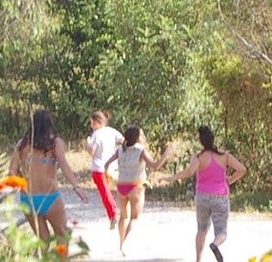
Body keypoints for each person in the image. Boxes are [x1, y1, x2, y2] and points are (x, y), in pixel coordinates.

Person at [161, 125, 246, 262]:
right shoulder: (224, 156)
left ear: (201, 141)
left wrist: (171, 178)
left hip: (202, 197)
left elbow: (188, 172)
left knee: (201, 229)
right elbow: (242, 169)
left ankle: (198, 260)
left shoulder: (198, 157)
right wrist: (230, 179)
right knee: (222, 231)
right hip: (220, 197)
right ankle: (215, 244)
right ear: (213, 139)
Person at [9, 108, 89, 242]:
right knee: (62, 237)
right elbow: (64, 165)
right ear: (50, 124)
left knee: (42, 241)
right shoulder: (56, 143)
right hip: (50, 197)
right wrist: (76, 186)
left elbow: (12, 171)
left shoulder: (22, 144)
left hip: (28, 199)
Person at [104, 124, 172, 255]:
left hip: (121, 185)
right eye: (141, 135)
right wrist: (166, 155)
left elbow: (107, 164)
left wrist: (109, 177)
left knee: (123, 217)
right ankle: (125, 244)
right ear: (137, 137)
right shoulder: (140, 150)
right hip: (135, 185)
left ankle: (120, 243)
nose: (143, 137)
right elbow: (155, 166)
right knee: (134, 217)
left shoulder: (121, 150)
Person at [86, 110, 123, 228]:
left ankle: (113, 213)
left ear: (98, 122)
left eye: (92, 123)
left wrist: (87, 145)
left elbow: (92, 152)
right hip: (112, 166)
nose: (91, 126)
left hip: (99, 166)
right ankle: (118, 211)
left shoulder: (96, 134)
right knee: (111, 190)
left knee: (104, 192)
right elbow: (123, 141)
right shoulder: (112, 131)